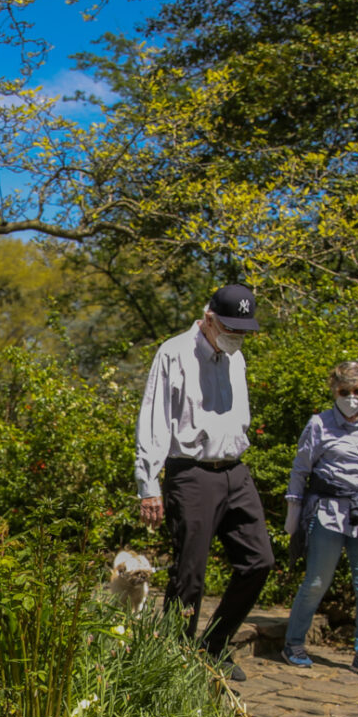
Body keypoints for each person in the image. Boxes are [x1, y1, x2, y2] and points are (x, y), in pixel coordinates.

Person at [136, 284, 275, 679]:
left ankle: (213, 644)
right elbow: (154, 420)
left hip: (235, 470)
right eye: (231, 328)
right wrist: (149, 485)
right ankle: (174, 659)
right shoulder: (174, 353)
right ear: (209, 317)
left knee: (259, 561)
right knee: (190, 572)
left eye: (244, 330)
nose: (238, 336)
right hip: (192, 473)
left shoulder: (236, 356)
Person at [282, 360, 358, 679]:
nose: (352, 397)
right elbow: (301, 470)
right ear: (334, 390)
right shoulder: (319, 425)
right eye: (345, 391)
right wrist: (293, 515)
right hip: (328, 513)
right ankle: (294, 643)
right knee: (316, 582)